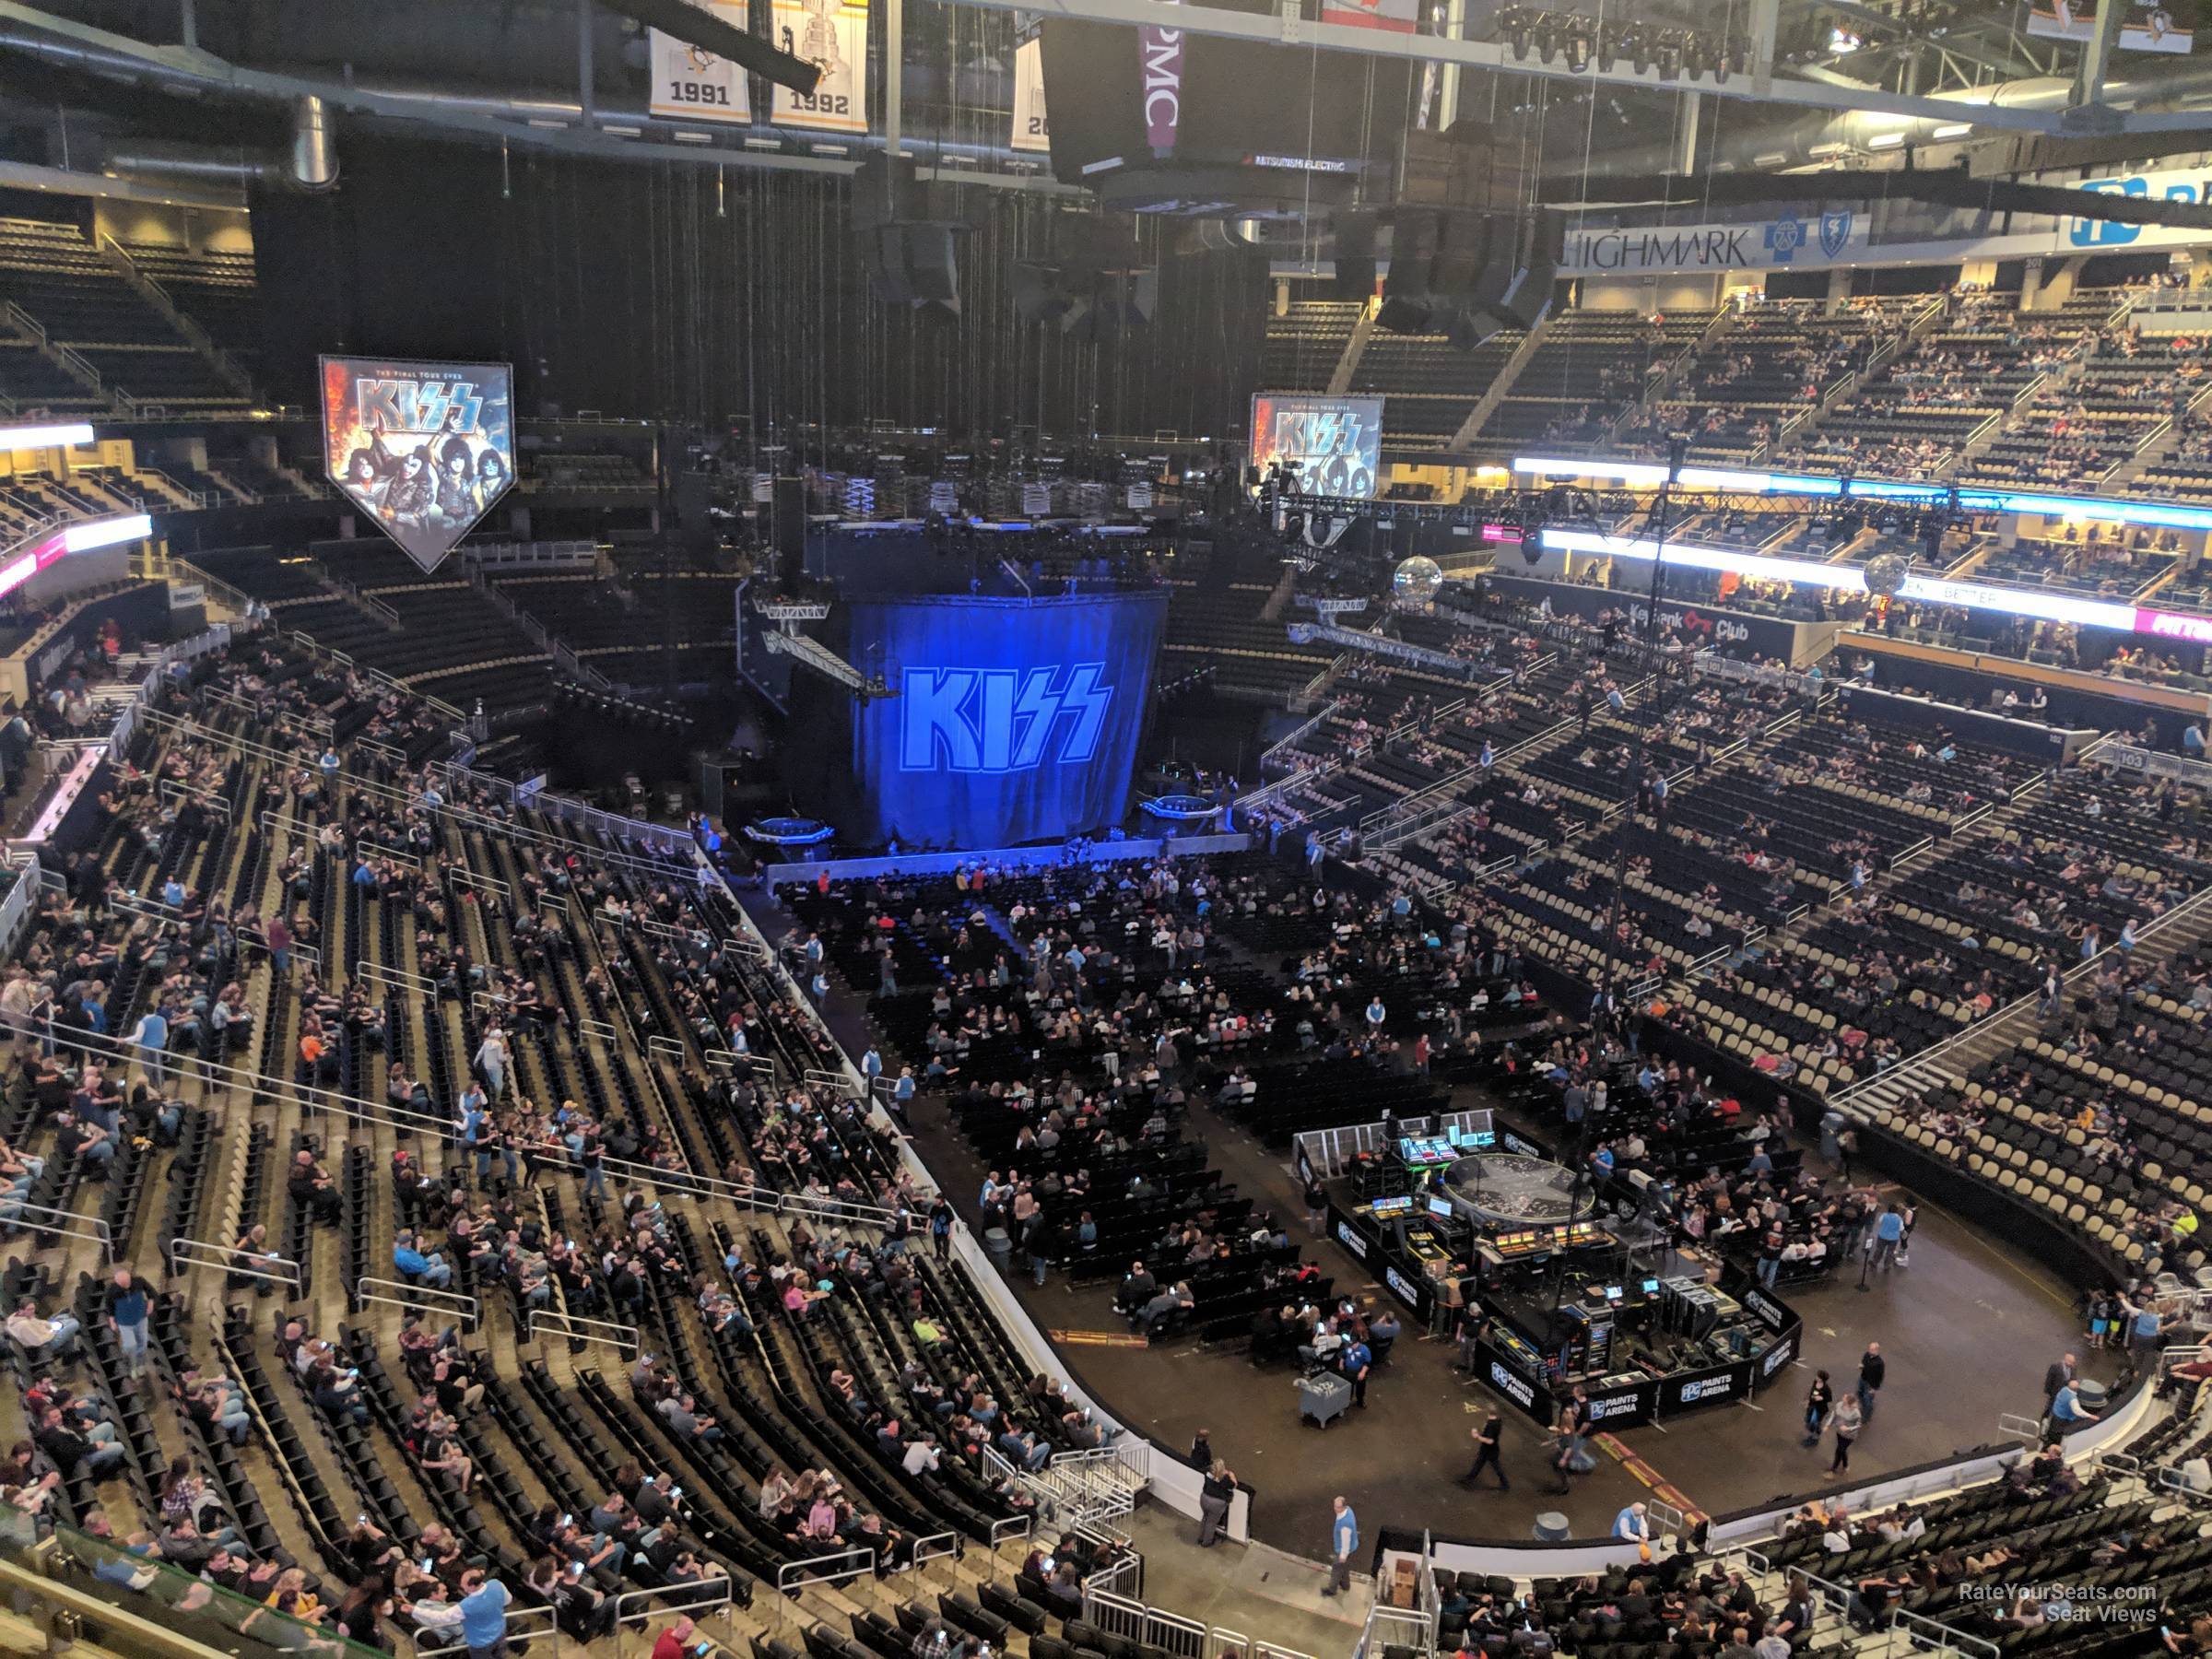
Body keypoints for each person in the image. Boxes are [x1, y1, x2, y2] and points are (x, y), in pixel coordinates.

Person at [457, 1566, 512, 1659]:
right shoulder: (496, 1584)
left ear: (472, 1586)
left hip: (482, 1642)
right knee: (501, 1653)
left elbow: (442, 1618)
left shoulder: (464, 1605)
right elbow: (508, 1601)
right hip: (498, 1632)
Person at [107, 1265, 149, 1380]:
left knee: (143, 1343)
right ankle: (132, 1366)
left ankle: (140, 1364)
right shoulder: (112, 1290)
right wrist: (112, 1320)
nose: (126, 1286)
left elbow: (151, 1292)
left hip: (140, 1318)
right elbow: (110, 1306)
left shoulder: (139, 1282)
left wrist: (151, 1302)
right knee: (130, 1346)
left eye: (127, 1282)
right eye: (123, 1284)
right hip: (124, 1322)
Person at [1196, 1461, 1238, 1548]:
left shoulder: (1208, 1473)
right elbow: (1234, 1485)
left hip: (1204, 1498)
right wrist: (1231, 1475)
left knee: (1205, 1518)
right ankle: (1206, 1542)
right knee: (1211, 1523)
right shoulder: (1226, 1479)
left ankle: (1200, 1538)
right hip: (1216, 1503)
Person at [1461, 1412, 1507, 1490]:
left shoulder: (1491, 1425)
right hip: (1488, 1449)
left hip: (1490, 1451)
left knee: (1496, 1467)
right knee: (1478, 1464)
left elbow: (1490, 1441)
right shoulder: (1497, 1421)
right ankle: (1469, 1479)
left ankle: (1505, 1484)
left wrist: (1477, 1436)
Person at [1323, 1496, 1357, 1597]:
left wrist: (1343, 1555)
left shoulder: (1345, 1524)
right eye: (1335, 1506)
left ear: (1343, 1507)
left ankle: (1332, 1590)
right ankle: (1346, 1585)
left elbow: (1345, 1542)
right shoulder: (1348, 1510)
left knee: (1337, 1569)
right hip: (1352, 1546)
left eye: (1338, 1507)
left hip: (1343, 1549)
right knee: (1344, 1568)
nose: (1335, 1509)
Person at [1829, 1391, 1863, 1477]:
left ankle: (1833, 1469)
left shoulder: (1856, 1413)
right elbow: (1835, 1415)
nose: (1843, 1399)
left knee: (1839, 1450)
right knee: (1842, 1450)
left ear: (1849, 1403)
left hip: (1849, 1436)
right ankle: (1846, 1465)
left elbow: (1858, 1425)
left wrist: (1848, 1428)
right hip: (1840, 1433)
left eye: (1846, 1400)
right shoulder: (1840, 1405)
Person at [1802, 1369, 1833, 1448]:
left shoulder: (1826, 1389)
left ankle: (1814, 1439)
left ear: (1822, 1379)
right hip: (1812, 1406)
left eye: (1818, 1376)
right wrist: (1808, 1400)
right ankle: (1815, 1431)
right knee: (1808, 1421)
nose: (1816, 1377)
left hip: (1819, 1409)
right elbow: (1812, 1392)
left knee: (1814, 1424)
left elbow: (1829, 1399)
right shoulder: (1815, 1382)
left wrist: (1821, 1398)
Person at [1857, 1343, 1885, 1421]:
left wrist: (1875, 1388)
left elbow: (1880, 1376)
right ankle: (1863, 1406)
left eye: (1872, 1349)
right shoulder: (1867, 1354)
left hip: (1870, 1384)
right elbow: (1863, 1361)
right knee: (1859, 1393)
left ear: (1877, 1350)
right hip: (1863, 1379)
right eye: (1869, 1348)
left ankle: (1866, 1417)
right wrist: (1861, 1365)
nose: (1869, 1350)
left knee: (1868, 1400)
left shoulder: (1879, 1363)